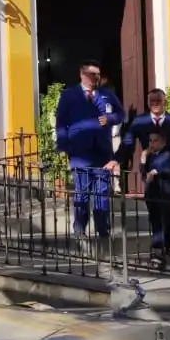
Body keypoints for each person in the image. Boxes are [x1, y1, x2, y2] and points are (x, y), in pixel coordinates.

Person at [54, 61, 124, 239]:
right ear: (82, 75)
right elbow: (61, 123)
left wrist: (109, 119)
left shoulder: (106, 94)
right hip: (80, 152)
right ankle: (80, 229)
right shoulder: (69, 95)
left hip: (102, 152)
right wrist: (64, 145)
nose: (96, 78)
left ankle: (103, 229)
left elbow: (120, 114)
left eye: (98, 75)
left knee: (101, 193)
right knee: (82, 192)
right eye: (93, 74)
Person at [122, 88, 170, 257]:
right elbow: (128, 142)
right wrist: (118, 159)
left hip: (169, 174)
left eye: (158, 101)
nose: (155, 104)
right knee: (154, 210)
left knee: (169, 212)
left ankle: (164, 245)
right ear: (148, 103)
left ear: (164, 102)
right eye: (152, 102)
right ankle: (160, 246)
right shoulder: (140, 121)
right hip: (149, 174)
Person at [142, 129, 170, 266]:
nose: (152, 144)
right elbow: (143, 173)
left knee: (166, 222)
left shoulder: (168, 155)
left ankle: (163, 248)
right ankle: (159, 249)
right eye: (150, 141)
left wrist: (157, 171)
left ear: (163, 142)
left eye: (155, 140)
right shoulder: (150, 156)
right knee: (156, 222)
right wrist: (143, 160)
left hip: (165, 192)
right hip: (152, 193)